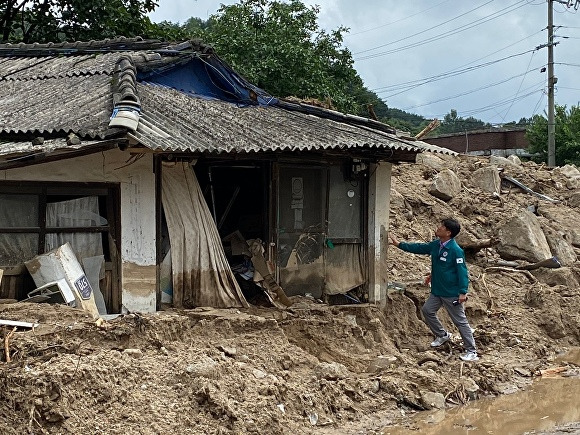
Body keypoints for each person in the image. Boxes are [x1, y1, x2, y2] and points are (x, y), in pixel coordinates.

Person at [389, 218, 479, 362]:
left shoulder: (455, 251)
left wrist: (463, 291)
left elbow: (462, 272)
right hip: (437, 290)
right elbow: (419, 248)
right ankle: (442, 335)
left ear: (448, 232)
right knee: (427, 310)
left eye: (442, 227)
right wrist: (399, 245)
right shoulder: (437, 245)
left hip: (451, 293)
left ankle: (471, 351)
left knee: (460, 321)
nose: (438, 227)